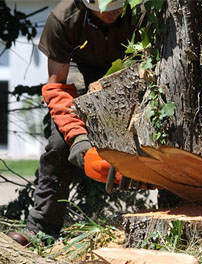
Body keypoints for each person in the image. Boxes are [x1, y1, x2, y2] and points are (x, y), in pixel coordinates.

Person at [25, 0, 136, 239]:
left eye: (119, 5)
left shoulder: (142, 11)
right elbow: (58, 88)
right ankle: (42, 229)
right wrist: (77, 137)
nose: (114, 11)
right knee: (59, 145)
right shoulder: (64, 18)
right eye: (106, 6)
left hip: (131, 70)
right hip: (79, 70)